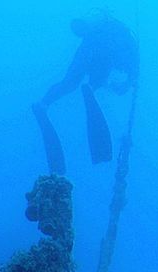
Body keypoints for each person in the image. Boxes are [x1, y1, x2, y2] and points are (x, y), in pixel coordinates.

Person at [33, 12, 139, 173]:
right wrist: (123, 86)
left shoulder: (106, 33)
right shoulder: (129, 47)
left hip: (87, 45)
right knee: (94, 84)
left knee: (69, 83)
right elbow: (131, 76)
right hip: (103, 49)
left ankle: (43, 104)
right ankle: (89, 89)